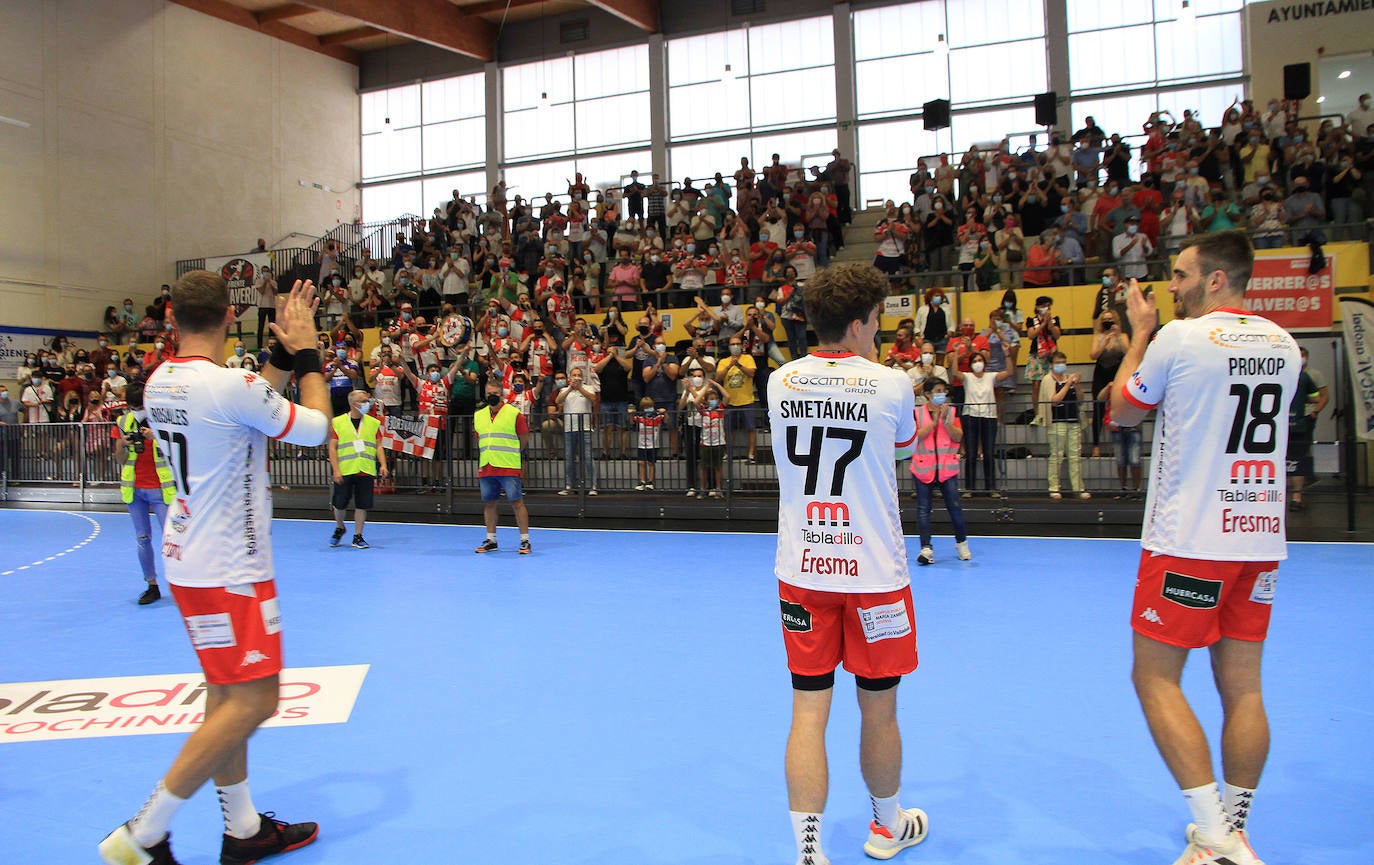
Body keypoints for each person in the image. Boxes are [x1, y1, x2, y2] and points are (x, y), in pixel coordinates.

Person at [98, 274, 330, 865]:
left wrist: (278, 357)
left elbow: (246, 402)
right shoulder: (228, 387)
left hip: (189, 560)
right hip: (233, 566)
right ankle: (143, 833)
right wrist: (307, 355)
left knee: (227, 696)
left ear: (172, 317)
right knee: (257, 701)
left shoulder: (161, 382)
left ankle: (243, 828)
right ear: (231, 317)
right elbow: (313, 427)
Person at [1109, 231, 1301, 865]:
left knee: (1155, 677)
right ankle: (1234, 828)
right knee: (1244, 687)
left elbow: (1123, 412)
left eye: (1182, 274)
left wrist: (1139, 333)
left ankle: (1215, 835)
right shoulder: (1285, 344)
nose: (1171, 286)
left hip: (1190, 539)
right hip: (1260, 539)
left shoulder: (1180, 338)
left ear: (1216, 280)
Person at [767, 262, 927, 865]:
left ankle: (809, 853)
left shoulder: (781, 381)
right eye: (877, 320)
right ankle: (886, 830)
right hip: (874, 576)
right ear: (859, 324)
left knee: (808, 709)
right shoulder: (891, 384)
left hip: (803, 569)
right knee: (879, 706)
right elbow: (906, 449)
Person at [112, 381, 177, 605]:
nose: (136, 410)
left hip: (161, 490)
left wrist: (156, 437)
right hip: (134, 489)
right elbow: (119, 459)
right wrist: (123, 443)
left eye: (139, 405)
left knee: (172, 540)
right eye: (132, 406)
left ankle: (182, 585)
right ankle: (151, 584)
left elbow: (178, 449)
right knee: (142, 538)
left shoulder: (164, 418)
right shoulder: (122, 421)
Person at [910, 378, 971, 564]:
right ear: (927, 394)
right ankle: (926, 548)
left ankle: (962, 543)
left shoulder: (951, 411)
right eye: (937, 390)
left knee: (954, 507)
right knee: (923, 508)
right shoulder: (916, 413)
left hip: (946, 468)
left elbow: (958, 436)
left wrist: (945, 422)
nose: (941, 394)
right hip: (923, 467)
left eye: (943, 391)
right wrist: (933, 422)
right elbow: (915, 437)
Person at [473, 377, 533, 554]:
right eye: (489, 394)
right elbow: (480, 438)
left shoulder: (514, 414)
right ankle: (491, 539)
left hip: (508, 465)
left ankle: (525, 541)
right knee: (489, 503)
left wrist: (513, 452)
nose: (492, 396)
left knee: (517, 503)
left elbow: (524, 439)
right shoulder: (478, 415)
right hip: (487, 465)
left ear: (502, 394)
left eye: (495, 394)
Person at [327, 389, 389, 549]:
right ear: (354, 404)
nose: (367, 403)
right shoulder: (338, 422)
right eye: (363, 401)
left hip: (366, 469)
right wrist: (336, 470)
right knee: (339, 503)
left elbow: (379, 445)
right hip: (345, 469)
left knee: (362, 504)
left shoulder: (373, 422)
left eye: (367, 400)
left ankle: (358, 536)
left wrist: (383, 464)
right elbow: (332, 448)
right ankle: (340, 527)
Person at [1038, 350, 1090, 499]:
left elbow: (1080, 398)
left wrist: (1077, 385)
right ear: (1051, 364)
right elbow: (1054, 400)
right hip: (1056, 422)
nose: (1061, 365)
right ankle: (1054, 487)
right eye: (1058, 362)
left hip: (1073, 421)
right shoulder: (1048, 379)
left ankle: (1078, 487)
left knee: (1075, 456)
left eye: (1063, 362)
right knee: (1057, 456)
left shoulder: (1069, 378)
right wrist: (1068, 384)